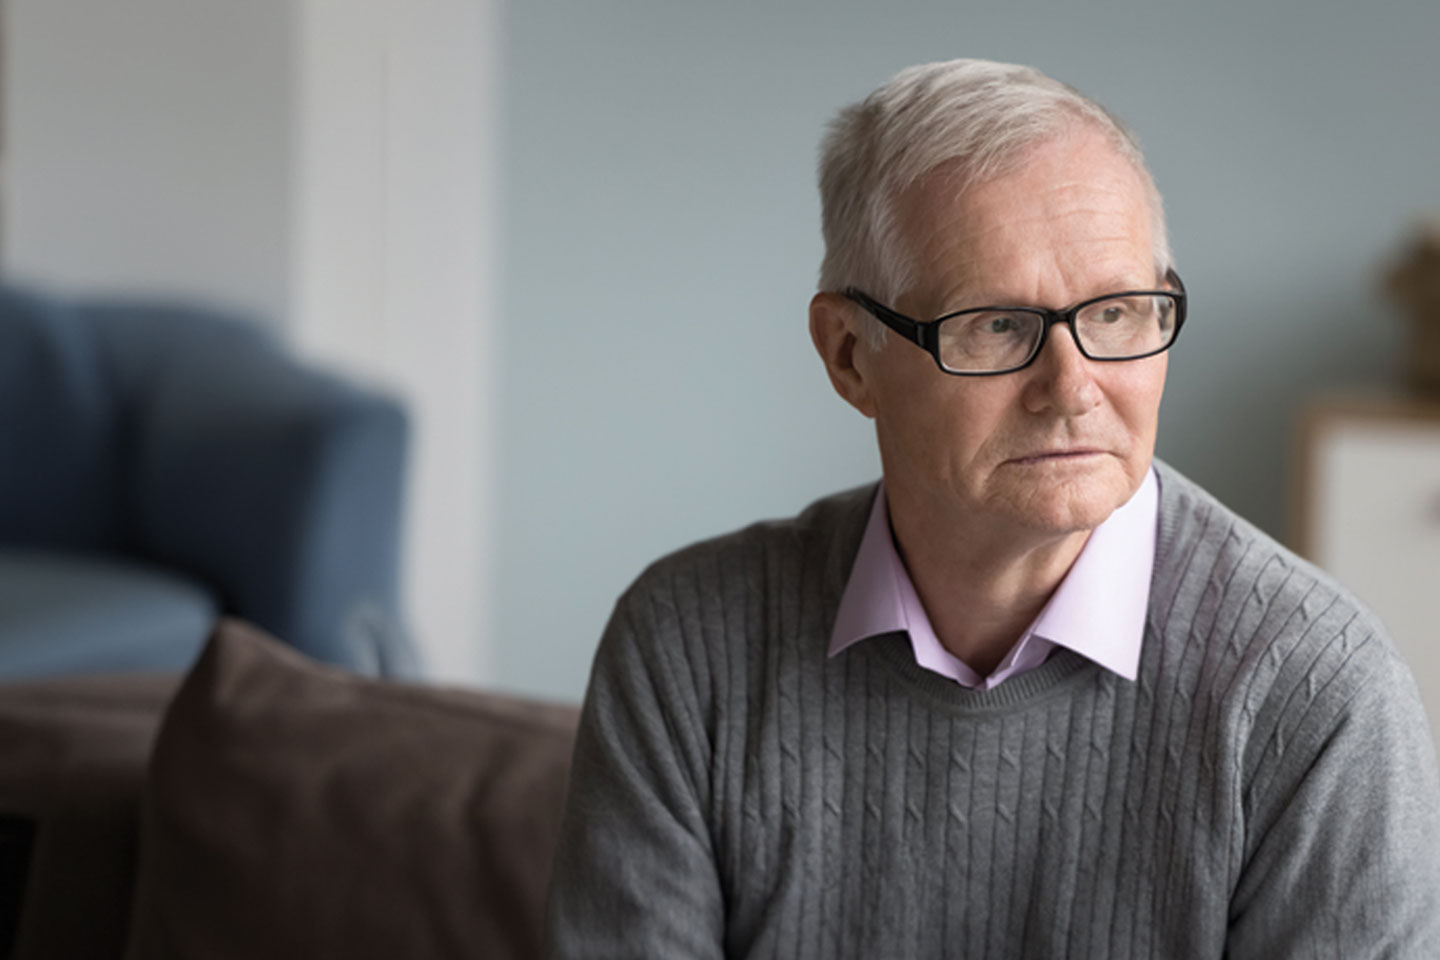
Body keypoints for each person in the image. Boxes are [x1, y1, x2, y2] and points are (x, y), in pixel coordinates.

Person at [543, 59, 1440, 958]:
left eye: (1120, 312)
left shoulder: (1318, 698)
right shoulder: (688, 648)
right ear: (851, 355)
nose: (1072, 389)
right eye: (998, 325)